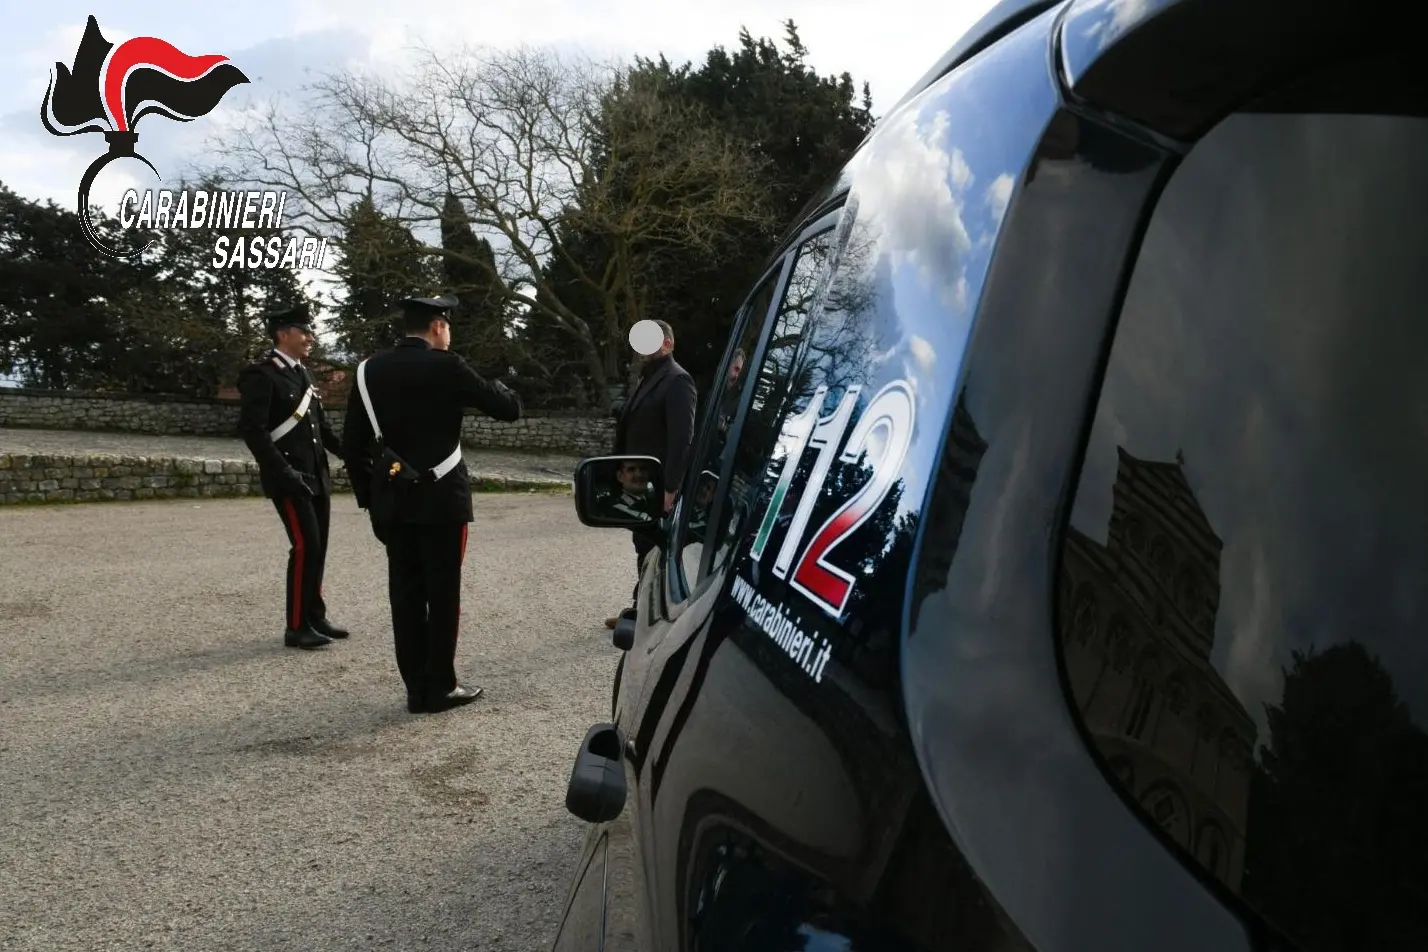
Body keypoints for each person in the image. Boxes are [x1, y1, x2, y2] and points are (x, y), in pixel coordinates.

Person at [340, 294, 524, 714]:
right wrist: (499, 383)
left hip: (393, 503)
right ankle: (440, 685)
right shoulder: (450, 366)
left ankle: (414, 689)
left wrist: (371, 499)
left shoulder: (368, 370)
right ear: (439, 327)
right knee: (443, 595)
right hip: (443, 500)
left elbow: (354, 446)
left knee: (404, 597)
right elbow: (507, 409)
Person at [236, 304, 349, 650]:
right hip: (288, 477)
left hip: (315, 475)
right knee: (305, 547)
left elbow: (322, 430)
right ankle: (296, 626)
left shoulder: (305, 374)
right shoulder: (262, 375)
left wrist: (356, 456)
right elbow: (252, 431)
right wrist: (282, 472)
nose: (310, 338)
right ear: (283, 334)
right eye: (305, 332)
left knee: (319, 548)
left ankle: (315, 615)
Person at [604, 319, 697, 628]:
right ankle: (640, 609)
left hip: (658, 486)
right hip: (637, 484)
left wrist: (671, 489)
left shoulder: (678, 380)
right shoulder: (647, 379)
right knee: (642, 547)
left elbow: (681, 440)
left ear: (667, 344)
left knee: (653, 550)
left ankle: (647, 617)